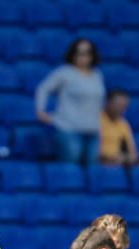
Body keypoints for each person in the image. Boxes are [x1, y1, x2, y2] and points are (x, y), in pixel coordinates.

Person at [35, 38, 106, 166]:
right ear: (73, 55)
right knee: (71, 169)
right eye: (79, 53)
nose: (83, 57)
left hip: (92, 130)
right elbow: (43, 89)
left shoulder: (97, 75)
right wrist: (40, 110)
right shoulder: (65, 73)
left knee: (92, 170)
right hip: (69, 129)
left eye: (87, 53)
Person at [100, 89, 139, 166]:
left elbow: (131, 150)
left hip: (120, 163)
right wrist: (110, 157)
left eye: (124, 106)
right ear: (107, 103)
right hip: (101, 163)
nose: (122, 109)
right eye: (119, 105)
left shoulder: (123, 124)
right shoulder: (96, 121)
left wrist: (132, 157)